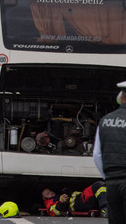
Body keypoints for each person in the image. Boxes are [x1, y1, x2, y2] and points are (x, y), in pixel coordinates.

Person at [93, 80, 126, 224]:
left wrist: (108, 177)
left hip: (112, 182)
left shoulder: (105, 121)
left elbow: (97, 155)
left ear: (121, 98)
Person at [42, 182, 108, 217]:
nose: (51, 193)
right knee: (98, 186)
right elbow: (54, 212)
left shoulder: (57, 196)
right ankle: (105, 211)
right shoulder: (50, 202)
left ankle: (108, 209)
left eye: (50, 191)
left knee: (101, 186)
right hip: (79, 203)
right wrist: (61, 202)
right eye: (47, 194)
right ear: (45, 198)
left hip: (81, 199)